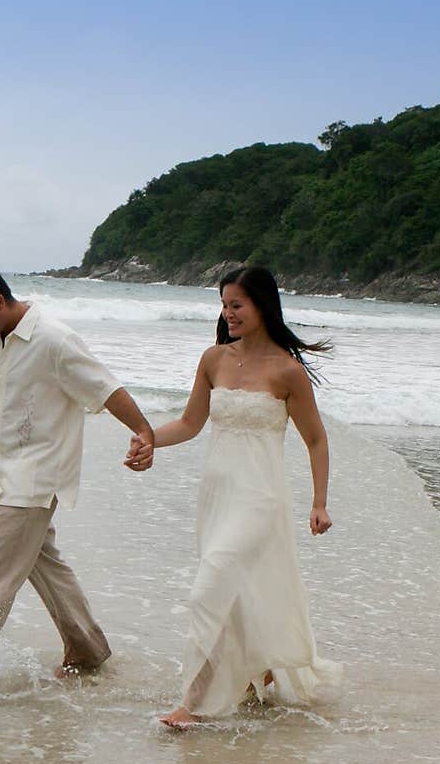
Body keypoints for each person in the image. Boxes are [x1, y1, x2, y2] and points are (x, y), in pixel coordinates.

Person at [0, 264, 155, 691]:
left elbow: (105, 388)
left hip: (37, 478)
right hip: (4, 475)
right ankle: (87, 650)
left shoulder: (53, 339)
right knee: (43, 564)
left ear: (0, 302)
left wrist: (143, 431)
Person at [125, 265, 340, 728]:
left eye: (236, 305)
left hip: (262, 496)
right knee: (236, 593)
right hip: (217, 494)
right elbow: (189, 424)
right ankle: (254, 674)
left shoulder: (288, 371)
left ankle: (194, 703)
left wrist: (319, 502)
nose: (228, 313)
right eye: (224, 305)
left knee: (209, 589)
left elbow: (316, 439)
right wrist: (148, 440)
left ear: (262, 305)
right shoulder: (214, 359)